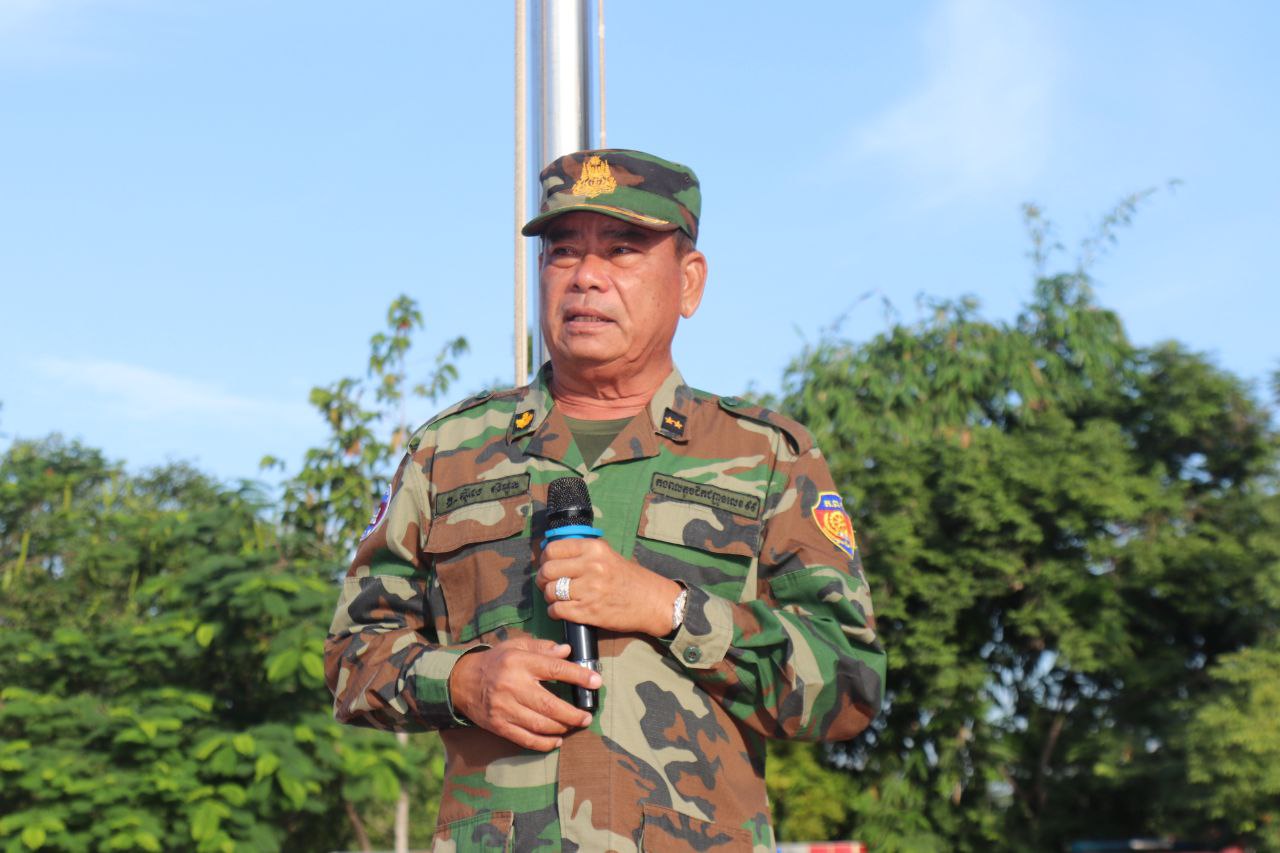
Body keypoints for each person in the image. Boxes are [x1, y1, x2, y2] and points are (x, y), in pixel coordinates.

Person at [324, 148, 885, 852]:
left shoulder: (769, 457)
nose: (586, 276)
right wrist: (462, 679)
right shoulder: (448, 452)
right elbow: (351, 656)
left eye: (621, 250)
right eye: (563, 251)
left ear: (689, 282)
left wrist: (670, 609)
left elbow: (851, 685)